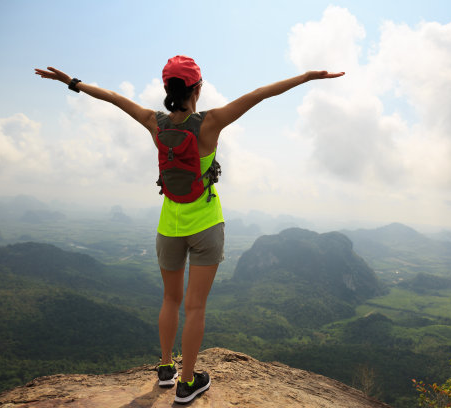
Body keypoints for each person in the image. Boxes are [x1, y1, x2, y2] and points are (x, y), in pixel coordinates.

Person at [35, 56, 344, 404]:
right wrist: (306, 76)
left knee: (170, 298)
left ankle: (166, 368)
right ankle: (187, 382)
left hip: (169, 226)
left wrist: (72, 82)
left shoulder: (155, 123)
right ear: (197, 88)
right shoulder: (210, 123)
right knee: (195, 307)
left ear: (168, 88)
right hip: (206, 226)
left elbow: (112, 97)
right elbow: (260, 94)